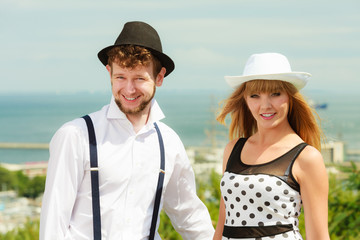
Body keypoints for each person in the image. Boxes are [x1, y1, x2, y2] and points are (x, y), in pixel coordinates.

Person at [40, 21, 214, 240]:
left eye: (139, 78)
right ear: (109, 73)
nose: (129, 89)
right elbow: (53, 223)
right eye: (120, 77)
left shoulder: (168, 142)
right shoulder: (75, 135)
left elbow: (188, 214)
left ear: (159, 77)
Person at [213, 53, 330, 240]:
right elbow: (223, 226)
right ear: (245, 99)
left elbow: (318, 236)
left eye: (275, 94)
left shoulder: (306, 157)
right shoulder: (233, 149)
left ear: (290, 97)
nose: (265, 105)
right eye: (255, 96)